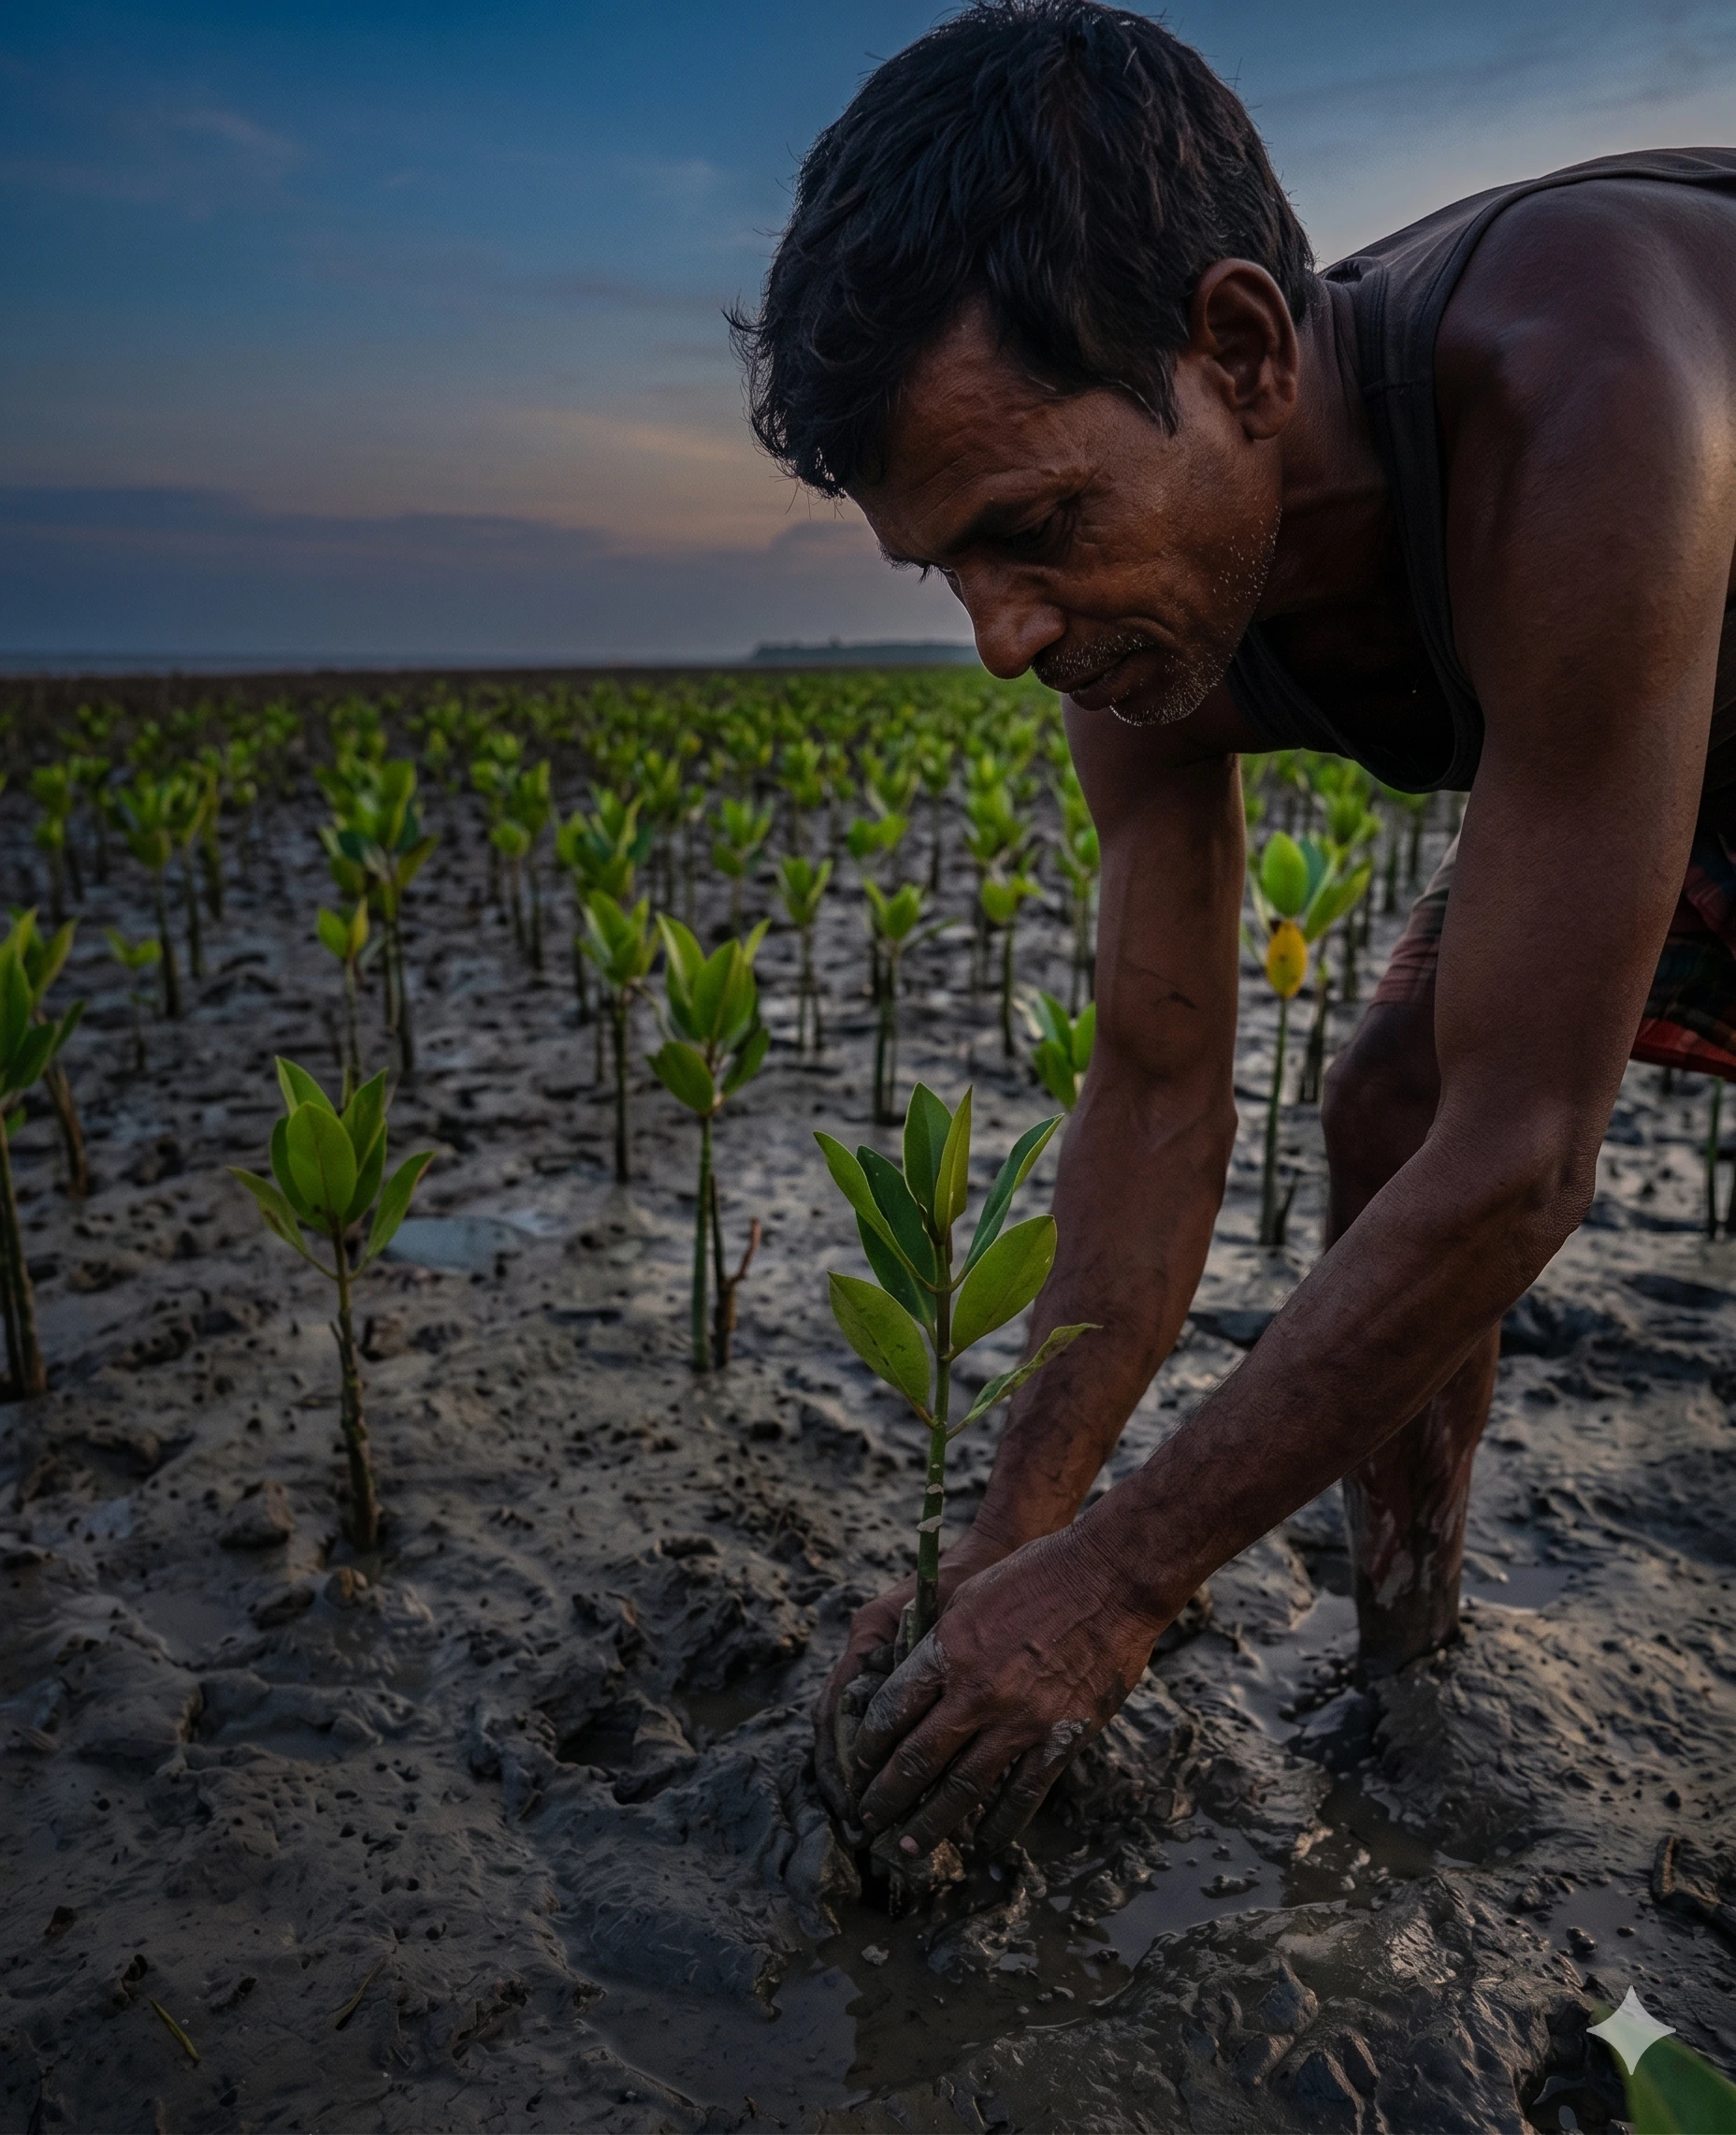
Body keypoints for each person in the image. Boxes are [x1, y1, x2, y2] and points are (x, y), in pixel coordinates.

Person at [731, 0, 1736, 1861]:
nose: (1001, 637)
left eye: (1031, 526)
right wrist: (1013, 1540)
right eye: (950, 565)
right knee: (1387, 1105)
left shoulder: (1582, 403)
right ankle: (1407, 1643)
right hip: (1674, 735)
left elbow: (1526, 1165)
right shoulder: (1123, 625)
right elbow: (1156, 1081)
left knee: (1463, 1132)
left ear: (1243, 352)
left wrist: (1120, 1587)